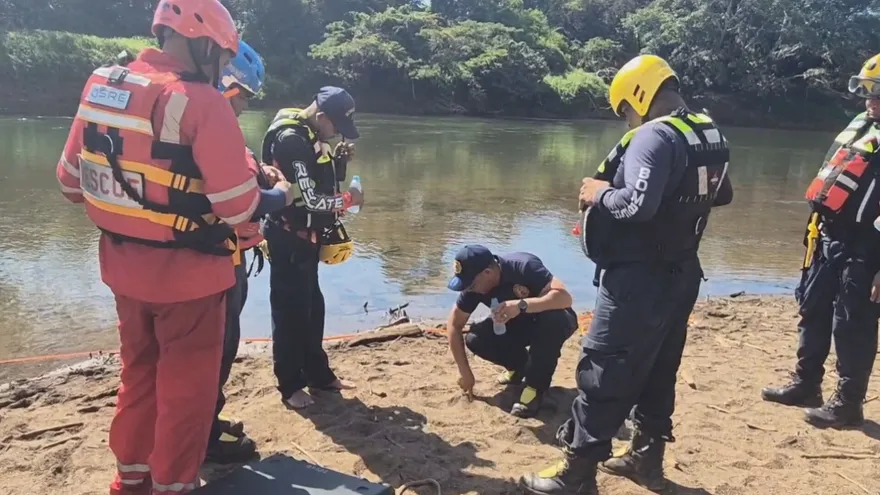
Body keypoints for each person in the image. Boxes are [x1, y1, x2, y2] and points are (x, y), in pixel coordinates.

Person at [54, 1, 292, 493]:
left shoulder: (103, 83)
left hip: (122, 268)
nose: (224, 69)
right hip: (190, 280)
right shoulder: (201, 101)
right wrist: (279, 195)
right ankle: (173, 486)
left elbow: (71, 184)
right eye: (224, 58)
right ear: (205, 43)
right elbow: (238, 207)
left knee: (138, 376)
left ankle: (130, 481)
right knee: (187, 395)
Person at [519, 54, 734, 494]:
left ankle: (576, 474)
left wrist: (599, 193)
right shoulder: (707, 131)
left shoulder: (654, 135)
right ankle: (644, 457)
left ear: (638, 94)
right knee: (659, 366)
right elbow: (723, 194)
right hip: (682, 272)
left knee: (604, 369)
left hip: (638, 279)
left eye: (624, 110)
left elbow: (636, 205)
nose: (626, 120)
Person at [761, 54, 880, 428]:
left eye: (876, 91)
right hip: (828, 234)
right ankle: (806, 383)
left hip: (868, 248)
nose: (868, 99)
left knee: (852, 324)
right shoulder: (863, 125)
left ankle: (848, 404)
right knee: (812, 309)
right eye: (865, 90)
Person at [206, 40, 288, 464]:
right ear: (227, 85)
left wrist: (259, 170)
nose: (244, 108)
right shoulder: (207, 120)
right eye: (244, 98)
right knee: (217, 348)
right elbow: (243, 201)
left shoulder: (186, 117)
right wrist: (279, 193)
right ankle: (203, 437)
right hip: (217, 257)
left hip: (219, 253)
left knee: (218, 346)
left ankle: (205, 423)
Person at [261, 87, 364, 410]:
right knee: (290, 313)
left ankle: (318, 374)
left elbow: (319, 181)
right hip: (288, 237)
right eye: (335, 127)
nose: (336, 134)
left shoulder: (311, 134)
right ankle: (290, 384)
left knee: (312, 309)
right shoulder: (291, 140)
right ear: (321, 117)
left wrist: (339, 163)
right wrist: (350, 200)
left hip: (308, 239)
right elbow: (310, 199)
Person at [445, 245, 577, 418]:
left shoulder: (524, 265)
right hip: (518, 325)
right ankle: (519, 368)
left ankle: (534, 388)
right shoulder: (474, 287)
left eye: (471, 284)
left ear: (487, 273)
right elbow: (454, 325)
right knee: (476, 338)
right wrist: (465, 372)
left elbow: (565, 298)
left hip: (554, 320)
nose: (468, 289)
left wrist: (522, 305)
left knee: (552, 321)